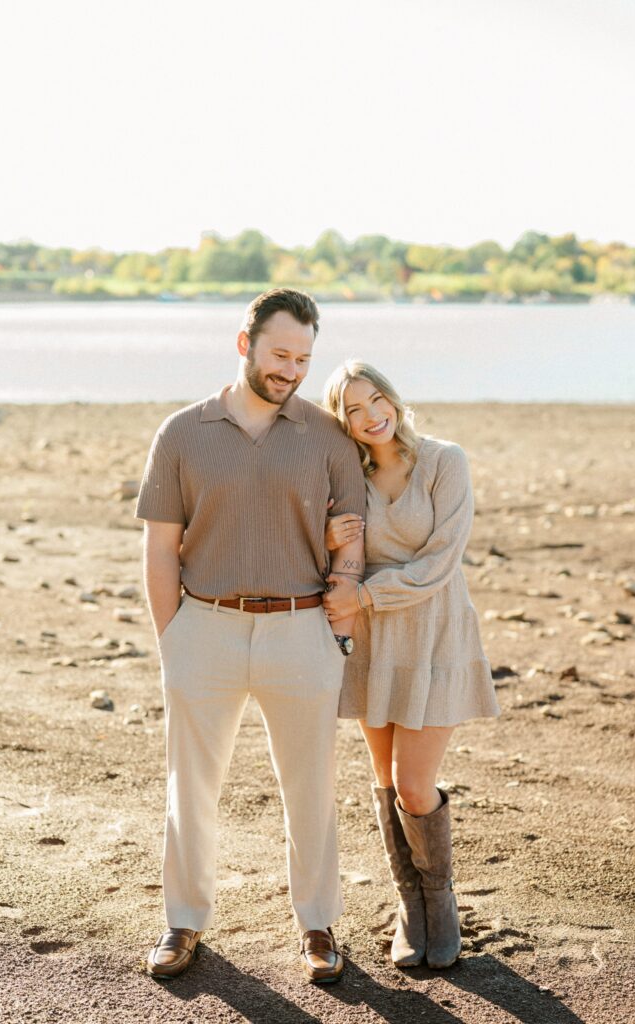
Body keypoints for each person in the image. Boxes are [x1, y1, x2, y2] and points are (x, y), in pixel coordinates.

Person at [135, 289, 366, 984]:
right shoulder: (182, 433)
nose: (291, 370)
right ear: (245, 344)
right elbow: (160, 549)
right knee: (190, 787)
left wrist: (336, 630)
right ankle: (183, 921)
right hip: (204, 628)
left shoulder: (329, 436)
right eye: (279, 354)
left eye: (303, 359)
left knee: (310, 788)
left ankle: (318, 924)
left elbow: (352, 544)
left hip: (301, 629)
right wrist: (173, 640)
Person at [321, 360, 499, 970]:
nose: (371, 415)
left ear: (392, 399)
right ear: (342, 421)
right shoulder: (349, 478)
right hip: (375, 644)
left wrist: (367, 594)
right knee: (385, 777)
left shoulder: (445, 460)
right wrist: (327, 542)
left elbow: (442, 560)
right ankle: (409, 906)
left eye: (376, 399)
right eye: (353, 409)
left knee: (415, 784)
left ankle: (440, 901)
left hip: (435, 633)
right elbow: (334, 556)